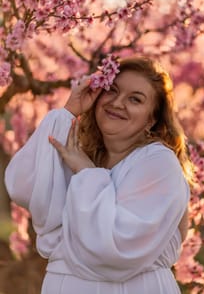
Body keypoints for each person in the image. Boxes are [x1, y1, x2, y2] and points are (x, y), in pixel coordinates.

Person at [5, 57, 191, 294]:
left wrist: (87, 174)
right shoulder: (80, 151)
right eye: (111, 91)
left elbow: (114, 247)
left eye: (135, 99)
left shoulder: (158, 163)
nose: (118, 103)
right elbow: (24, 187)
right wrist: (69, 111)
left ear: (151, 119)